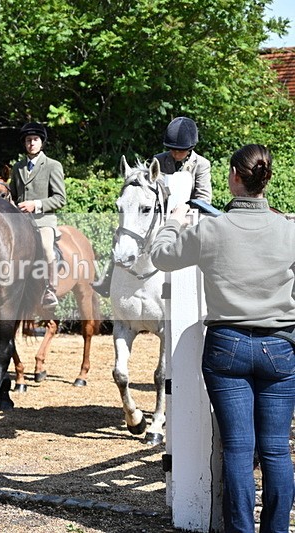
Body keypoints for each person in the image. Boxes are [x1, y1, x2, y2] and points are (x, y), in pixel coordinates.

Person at [150, 144, 295, 533]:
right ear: (266, 179)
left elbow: (161, 257)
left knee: (237, 449)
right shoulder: (288, 230)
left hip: (227, 345)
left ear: (233, 176)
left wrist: (173, 220)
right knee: (278, 451)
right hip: (280, 347)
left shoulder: (210, 229)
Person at [92, 116, 213, 297]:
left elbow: (204, 198)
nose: (174, 154)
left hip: (187, 217)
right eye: (172, 149)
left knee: (206, 243)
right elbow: (148, 192)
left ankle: (209, 285)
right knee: (122, 231)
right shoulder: (158, 160)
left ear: (190, 149)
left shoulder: (201, 165)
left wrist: (183, 213)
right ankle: (107, 279)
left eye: (179, 151)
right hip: (159, 218)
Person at [9, 122, 66, 309]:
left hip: (44, 220)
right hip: (21, 221)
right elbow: (14, 195)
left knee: (46, 247)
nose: (31, 143)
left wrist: (36, 205)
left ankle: (50, 289)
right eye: (28, 140)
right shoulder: (17, 168)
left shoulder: (53, 166)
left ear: (42, 142)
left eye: (35, 140)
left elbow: (60, 199)